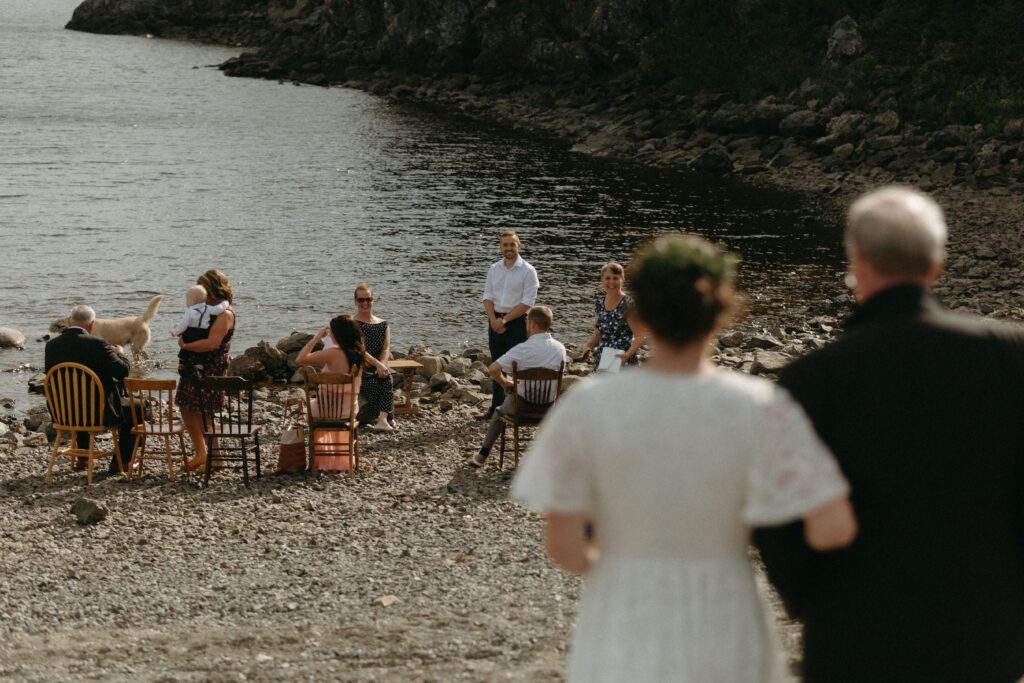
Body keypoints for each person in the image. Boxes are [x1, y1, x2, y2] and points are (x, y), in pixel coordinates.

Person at [511, 234, 857, 682]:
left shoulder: (589, 406)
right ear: (722, 312)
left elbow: (565, 548)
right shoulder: (761, 406)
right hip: (726, 610)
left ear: (640, 315)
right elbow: (833, 527)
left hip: (624, 609)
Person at [753, 186, 1024, 683]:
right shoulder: (1011, 357)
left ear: (856, 262)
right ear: (937, 264)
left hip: (853, 634)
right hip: (986, 635)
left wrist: (810, 598)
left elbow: (776, 516)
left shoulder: (812, 378)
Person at [44, 304, 138, 476]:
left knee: (78, 397)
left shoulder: (52, 345)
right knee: (136, 407)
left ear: (70, 322)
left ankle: (83, 458)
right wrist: (120, 353)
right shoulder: (97, 344)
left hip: (63, 412)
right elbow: (122, 371)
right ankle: (121, 462)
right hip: (97, 413)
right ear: (92, 325)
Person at [470, 305, 566, 468]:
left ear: (533, 324)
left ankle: (482, 456)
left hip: (522, 406)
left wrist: (505, 382)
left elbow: (493, 369)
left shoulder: (522, 349)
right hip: (549, 407)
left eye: (527, 322)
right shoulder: (560, 349)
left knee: (499, 412)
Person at [176, 269, 235, 472]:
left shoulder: (225, 314)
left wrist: (186, 346)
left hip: (211, 367)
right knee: (185, 406)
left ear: (212, 290)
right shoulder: (201, 311)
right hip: (191, 366)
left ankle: (216, 457)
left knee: (205, 411)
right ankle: (201, 452)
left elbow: (212, 343)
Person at [478, 229, 539, 420]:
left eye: (512, 244)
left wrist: (504, 320)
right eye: (505, 245)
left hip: (517, 323)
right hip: (494, 320)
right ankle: (495, 409)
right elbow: (487, 297)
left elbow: (528, 303)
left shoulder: (528, 271)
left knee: (517, 365)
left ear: (518, 246)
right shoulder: (494, 268)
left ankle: (519, 407)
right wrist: (493, 320)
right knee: (496, 363)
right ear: (500, 247)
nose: (509, 248)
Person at [297, 315, 364, 472]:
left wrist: (317, 337)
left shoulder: (333, 353)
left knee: (303, 408)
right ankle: (340, 458)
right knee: (316, 404)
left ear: (337, 334)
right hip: (349, 411)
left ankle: (316, 460)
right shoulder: (359, 354)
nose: (330, 335)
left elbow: (301, 358)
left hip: (325, 411)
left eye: (332, 332)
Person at [578, 262, 644, 368]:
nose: (611, 282)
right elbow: (598, 332)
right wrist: (588, 346)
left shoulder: (628, 304)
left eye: (616, 278)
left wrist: (627, 355)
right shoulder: (600, 302)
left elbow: (640, 336)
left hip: (623, 362)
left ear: (622, 280)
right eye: (607, 278)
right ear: (602, 280)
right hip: (603, 359)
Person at [351, 283, 396, 432]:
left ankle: (382, 419)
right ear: (355, 301)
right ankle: (387, 415)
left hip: (378, 366)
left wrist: (382, 365)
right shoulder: (352, 324)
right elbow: (360, 350)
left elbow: (385, 348)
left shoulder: (383, 324)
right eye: (361, 300)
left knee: (387, 377)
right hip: (361, 367)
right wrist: (377, 364)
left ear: (373, 300)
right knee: (375, 386)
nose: (365, 303)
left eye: (368, 299)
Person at [170, 284, 230, 379]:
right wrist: (225, 303)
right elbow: (219, 309)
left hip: (191, 333)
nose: (186, 301)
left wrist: (174, 332)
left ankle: (182, 363)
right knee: (200, 353)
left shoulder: (189, 311)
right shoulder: (208, 308)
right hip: (203, 333)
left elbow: (183, 325)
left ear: (192, 300)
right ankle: (199, 367)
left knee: (184, 349)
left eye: (187, 299)